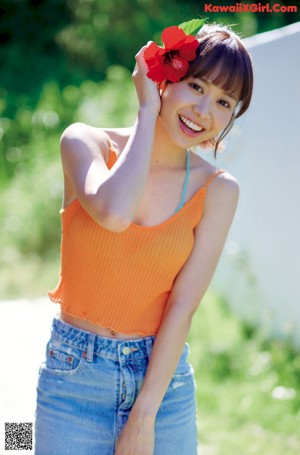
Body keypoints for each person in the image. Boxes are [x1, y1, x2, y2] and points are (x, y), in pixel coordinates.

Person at [34, 22, 253, 455]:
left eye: (224, 101)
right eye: (195, 85)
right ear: (163, 76)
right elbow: (115, 213)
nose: (205, 110)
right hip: (71, 379)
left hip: (163, 387)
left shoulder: (219, 190)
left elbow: (182, 305)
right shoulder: (85, 142)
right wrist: (145, 113)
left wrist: (145, 414)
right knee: (14, 442)